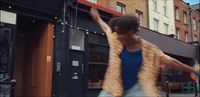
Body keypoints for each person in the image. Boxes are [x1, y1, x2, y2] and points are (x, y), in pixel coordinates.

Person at [90, 8, 199, 97]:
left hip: (138, 89)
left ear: (131, 32)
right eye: (117, 34)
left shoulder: (150, 49)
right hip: (113, 86)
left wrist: (192, 69)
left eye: (121, 34)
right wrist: (98, 18)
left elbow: (171, 61)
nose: (118, 37)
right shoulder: (116, 39)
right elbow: (107, 29)